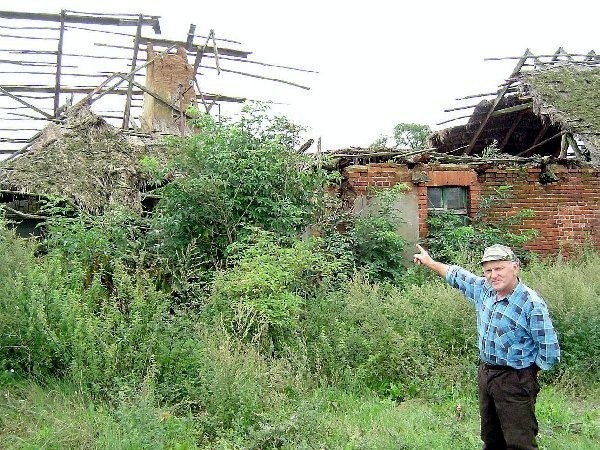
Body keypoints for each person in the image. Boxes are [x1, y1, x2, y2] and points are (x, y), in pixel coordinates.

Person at [413, 243, 560, 450]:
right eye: (488, 270)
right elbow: (456, 275)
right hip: (486, 374)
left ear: (515, 267)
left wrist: (529, 374)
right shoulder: (484, 290)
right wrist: (429, 262)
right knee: (491, 439)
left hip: (515, 378)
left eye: (499, 268)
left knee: (519, 442)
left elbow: (549, 348)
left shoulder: (531, 303)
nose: (493, 275)